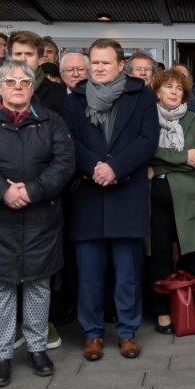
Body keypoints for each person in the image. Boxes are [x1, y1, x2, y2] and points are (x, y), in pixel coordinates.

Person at [0, 60, 74, 387]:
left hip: (41, 218)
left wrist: (32, 190)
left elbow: (65, 163)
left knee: (38, 285)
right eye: (10, 81)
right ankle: (2, 355)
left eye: (24, 81)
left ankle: (37, 349)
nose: (18, 87)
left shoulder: (51, 120)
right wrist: (1, 190)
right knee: (0, 286)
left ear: (33, 87)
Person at [63, 38, 159, 362]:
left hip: (126, 193)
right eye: (95, 62)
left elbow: (148, 140)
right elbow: (68, 141)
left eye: (106, 62)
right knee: (89, 274)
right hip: (88, 194)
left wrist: (116, 167)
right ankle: (92, 334)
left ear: (121, 65)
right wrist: (94, 167)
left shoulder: (142, 96)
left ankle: (127, 332)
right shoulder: (75, 99)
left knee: (127, 273)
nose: (100, 68)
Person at [147, 68, 195, 334]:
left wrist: (157, 165)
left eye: (178, 88)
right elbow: (146, 149)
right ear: (157, 91)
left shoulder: (194, 117)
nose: (174, 92)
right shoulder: (146, 117)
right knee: (159, 255)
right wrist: (181, 157)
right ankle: (162, 311)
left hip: (191, 196)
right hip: (156, 200)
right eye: (168, 87)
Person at [8, 30, 65, 115]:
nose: (23, 59)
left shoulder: (58, 92)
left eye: (29, 54)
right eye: (18, 54)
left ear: (40, 57)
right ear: (10, 57)